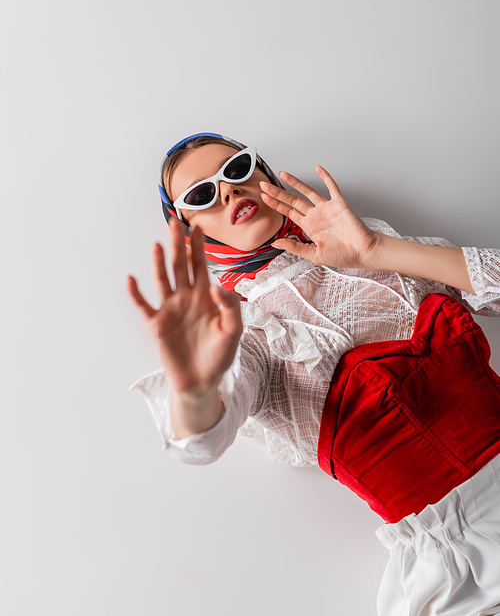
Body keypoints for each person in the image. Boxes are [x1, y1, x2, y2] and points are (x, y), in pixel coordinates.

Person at [127, 132, 500, 616]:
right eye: (200, 195)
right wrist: (193, 383)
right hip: (467, 568)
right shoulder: (250, 332)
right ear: (186, 229)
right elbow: (204, 435)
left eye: (236, 169)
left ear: (261, 173)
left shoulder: (380, 252)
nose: (227, 192)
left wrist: (377, 250)